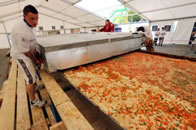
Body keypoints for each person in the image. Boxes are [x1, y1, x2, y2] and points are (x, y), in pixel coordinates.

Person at [10, 5, 46, 108]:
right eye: (32, 19)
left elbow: (31, 42)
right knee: (30, 77)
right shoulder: (20, 31)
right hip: (22, 56)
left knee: (33, 73)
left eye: (37, 18)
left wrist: (36, 52)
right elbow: (26, 52)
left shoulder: (29, 25)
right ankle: (33, 102)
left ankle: (34, 87)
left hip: (27, 52)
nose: (35, 22)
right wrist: (35, 59)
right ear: (24, 16)